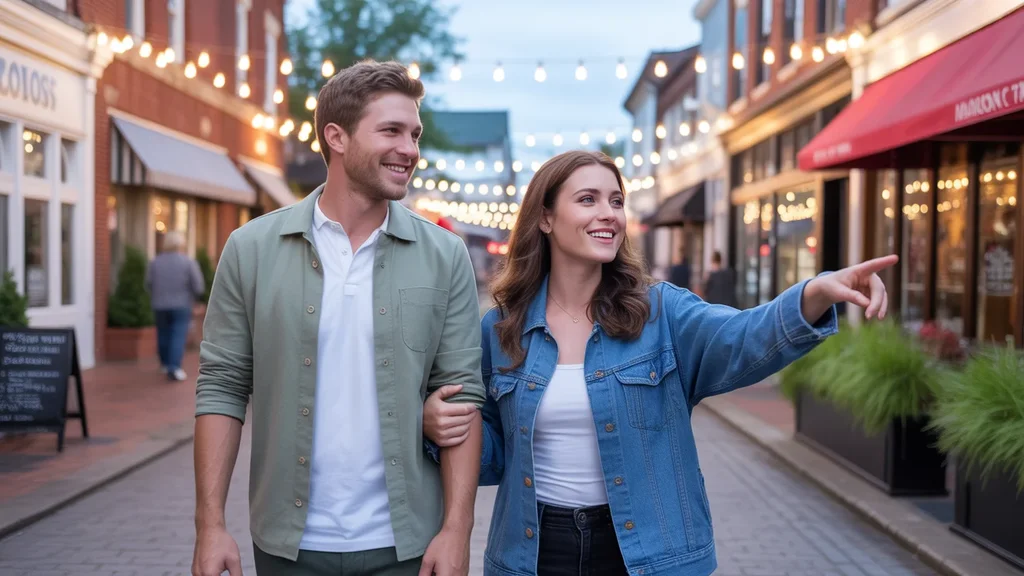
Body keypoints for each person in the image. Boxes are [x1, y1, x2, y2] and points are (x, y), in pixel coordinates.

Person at [422, 150, 896, 576]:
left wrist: (813, 294)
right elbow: (492, 457)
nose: (609, 214)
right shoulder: (502, 329)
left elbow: (743, 338)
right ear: (545, 218)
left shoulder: (662, 313)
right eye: (588, 199)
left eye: (616, 201)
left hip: (648, 554)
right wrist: (434, 427)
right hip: (534, 553)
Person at [191, 60, 485, 576]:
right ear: (337, 137)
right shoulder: (251, 249)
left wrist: (457, 531)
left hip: (407, 544)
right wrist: (210, 525)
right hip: (287, 544)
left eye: (414, 134)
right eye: (391, 130)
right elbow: (222, 385)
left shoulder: (446, 255)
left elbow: (462, 396)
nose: (410, 149)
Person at [145, 230, 205, 381]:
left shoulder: (155, 262)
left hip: (159, 304)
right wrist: (194, 297)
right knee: (178, 335)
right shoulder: (188, 262)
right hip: (182, 304)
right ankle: (174, 367)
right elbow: (198, 286)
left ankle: (165, 364)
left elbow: (148, 283)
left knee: (163, 334)